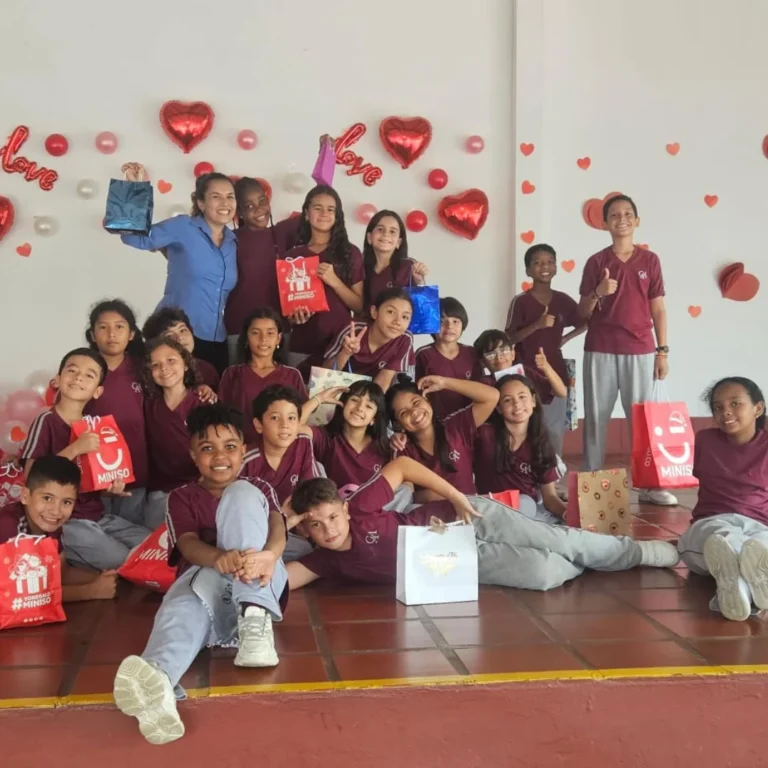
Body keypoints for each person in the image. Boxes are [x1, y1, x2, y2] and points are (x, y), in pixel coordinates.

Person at [113, 404, 288, 746]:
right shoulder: (181, 497)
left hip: (260, 583)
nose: (219, 456)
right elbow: (188, 543)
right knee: (178, 610)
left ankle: (255, 625)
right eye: (207, 448)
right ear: (193, 455)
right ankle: (159, 684)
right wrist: (218, 558)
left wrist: (269, 555)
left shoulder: (258, 488)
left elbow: (278, 529)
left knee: (240, 495)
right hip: (207, 579)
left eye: (230, 447)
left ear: (243, 452)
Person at [282, 458, 679, 592]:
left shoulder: (361, 507)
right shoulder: (328, 562)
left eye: (332, 517)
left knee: (553, 538)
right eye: (315, 527)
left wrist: (455, 496)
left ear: (344, 510)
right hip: (453, 561)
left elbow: (402, 467)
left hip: (465, 516)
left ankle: (634, 553)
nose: (329, 530)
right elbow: (278, 579)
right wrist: (284, 525)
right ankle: (590, 559)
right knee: (543, 572)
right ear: (306, 532)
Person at [577, 194, 675, 506]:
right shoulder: (596, 262)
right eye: (615, 215)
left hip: (641, 350)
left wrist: (662, 352)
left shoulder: (650, 261)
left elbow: (658, 309)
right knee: (595, 418)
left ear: (637, 220)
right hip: (600, 349)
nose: (622, 219)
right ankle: (591, 480)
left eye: (628, 213)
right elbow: (582, 312)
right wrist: (598, 292)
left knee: (642, 423)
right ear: (604, 223)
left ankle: (648, 485)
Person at [20, 348, 151, 569]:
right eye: (72, 371)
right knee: (122, 560)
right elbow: (31, 476)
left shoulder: (94, 425)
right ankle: (66, 555)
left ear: (98, 391)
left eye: (89, 375)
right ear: (58, 380)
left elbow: (90, 478)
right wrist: (75, 449)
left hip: (98, 514)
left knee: (153, 546)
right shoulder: (46, 419)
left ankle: (84, 559)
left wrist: (108, 490)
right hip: (67, 520)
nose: (79, 377)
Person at [120, 168, 237, 375]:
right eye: (216, 197)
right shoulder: (183, 227)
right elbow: (133, 236)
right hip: (174, 335)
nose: (225, 203)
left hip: (215, 338)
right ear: (201, 203)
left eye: (230, 197)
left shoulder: (233, 242)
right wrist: (134, 189)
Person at [678, 377, 768, 621]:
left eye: (735, 403)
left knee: (760, 544)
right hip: (712, 522)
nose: (726, 412)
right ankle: (750, 584)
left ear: (758, 409)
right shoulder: (706, 439)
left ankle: (735, 590)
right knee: (722, 538)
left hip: (758, 526)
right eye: (718, 407)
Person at [0, 456, 118, 602]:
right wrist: (92, 591)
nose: (56, 511)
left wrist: (101, 578)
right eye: (47, 498)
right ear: (25, 496)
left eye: (66, 502)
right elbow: (19, 595)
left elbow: (61, 573)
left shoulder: (52, 525)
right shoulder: (8, 526)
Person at [505, 244, 585, 457]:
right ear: (528, 270)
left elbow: (587, 321)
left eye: (550, 262)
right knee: (525, 428)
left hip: (555, 373)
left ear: (556, 267)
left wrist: (565, 338)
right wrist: (537, 325)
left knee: (554, 430)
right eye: (537, 263)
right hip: (525, 374)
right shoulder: (521, 301)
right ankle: (526, 477)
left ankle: (553, 478)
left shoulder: (563, 300)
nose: (544, 267)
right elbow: (508, 339)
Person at [285, 186, 364, 372]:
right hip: (301, 345)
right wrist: (294, 318)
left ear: (337, 216)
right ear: (306, 213)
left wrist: (334, 281)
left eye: (330, 209)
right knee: (299, 397)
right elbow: (285, 313)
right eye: (317, 207)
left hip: (339, 344)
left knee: (334, 399)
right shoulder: (292, 256)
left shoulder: (350, 253)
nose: (324, 213)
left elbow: (359, 306)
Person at [84, 299, 149, 526]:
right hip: (95, 472)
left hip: (136, 469)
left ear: (131, 333)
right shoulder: (83, 369)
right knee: (98, 529)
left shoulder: (143, 368)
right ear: (92, 335)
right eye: (103, 327)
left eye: (119, 327)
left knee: (132, 533)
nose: (111, 334)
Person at [224, 177, 302, 363]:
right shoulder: (229, 239)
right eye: (249, 206)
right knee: (240, 385)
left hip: (279, 328)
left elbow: (317, 206)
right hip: (239, 327)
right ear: (239, 212)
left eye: (262, 201)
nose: (259, 209)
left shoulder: (283, 232)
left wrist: (326, 156)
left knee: (281, 387)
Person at [240, 385, 321, 561]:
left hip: (296, 524)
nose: (285, 425)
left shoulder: (303, 443)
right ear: (258, 425)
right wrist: (279, 520)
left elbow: (312, 489)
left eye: (292, 418)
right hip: (261, 531)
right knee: (303, 551)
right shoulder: (247, 460)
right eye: (275, 418)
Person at [386, 374, 499, 500]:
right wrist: (450, 497)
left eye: (416, 402)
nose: (414, 412)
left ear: (427, 400)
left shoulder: (455, 427)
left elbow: (492, 396)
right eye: (403, 413)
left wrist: (444, 382)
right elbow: (406, 497)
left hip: (473, 511)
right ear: (397, 424)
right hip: (431, 517)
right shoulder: (402, 448)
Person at [474, 375, 565, 525]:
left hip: (526, 513)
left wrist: (566, 513)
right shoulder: (484, 435)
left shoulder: (541, 444)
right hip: (489, 509)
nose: (517, 404)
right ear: (498, 408)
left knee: (526, 503)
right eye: (507, 400)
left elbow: (549, 497)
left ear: (533, 401)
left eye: (522, 397)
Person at [142, 337, 205, 529]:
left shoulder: (203, 402)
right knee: (155, 544)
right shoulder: (148, 404)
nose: (164, 368)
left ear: (186, 365)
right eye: (156, 365)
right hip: (160, 492)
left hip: (199, 489)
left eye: (171, 361)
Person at [219, 307, 306, 444]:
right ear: (246, 338)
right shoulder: (232, 374)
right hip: (242, 450)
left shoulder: (292, 375)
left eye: (270, 333)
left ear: (279, 338)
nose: (263, 339)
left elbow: (302, 417)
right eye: (255, 333)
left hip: (282, 450)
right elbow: (221, 417)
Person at [300, 380, 391, 497]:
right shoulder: (325, 437)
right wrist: (319, 398)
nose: (359, 408)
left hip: (372, 511)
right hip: (332, 509)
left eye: (368, 406)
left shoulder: (384, 447)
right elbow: (292, 428)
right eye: (354, 400)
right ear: (342, 404)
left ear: (374, 419)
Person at [323, 288, 415, 392]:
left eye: (405, 317)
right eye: (391, 312)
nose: (398, 321)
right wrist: (345, 353)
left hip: (367, 394)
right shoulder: (353, 330)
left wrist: (367, 405)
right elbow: (325, 372)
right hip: (337, 390)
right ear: (374, 312)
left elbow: (383, 382)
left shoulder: (404, 339)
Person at [415, 297, 486, 420]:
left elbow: (479, 387)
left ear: (463, 325)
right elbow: (416, 391)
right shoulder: (423, 354)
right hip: (436, 420)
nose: (449, 326)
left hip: (469, 419)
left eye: (455, 321)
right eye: (442, 321)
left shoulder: (471, 352)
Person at [361, 210, 428, 316]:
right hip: (367, 329)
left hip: (398, 330)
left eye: (392, 231)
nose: (386, 234)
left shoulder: (408, 267)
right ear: (369, 238)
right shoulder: (359, 267)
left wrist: (419, 282)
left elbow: (422, 310)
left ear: (398, 242)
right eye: (380, 229)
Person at [473, 329, 567, 401]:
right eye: (491, 354)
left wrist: (546, 368)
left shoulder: (526, 373)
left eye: (504, 350)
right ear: (483, 362)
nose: (499, 357)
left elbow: (562, 393)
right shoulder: (485, 383)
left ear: (513, 354)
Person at [142, 306, 221, 392]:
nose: (180, 338)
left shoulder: (207, 370)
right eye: (169, 335)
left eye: (183, 330)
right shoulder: (152, 372)